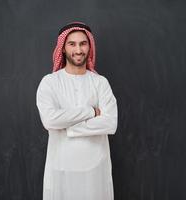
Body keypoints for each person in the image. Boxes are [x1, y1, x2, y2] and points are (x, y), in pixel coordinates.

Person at [36, 22, 118, 200]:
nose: (78, 49)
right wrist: (90, 112)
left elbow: (110, 123)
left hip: (96, 171)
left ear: (90, 46)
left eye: (83, 43)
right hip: (61, 169)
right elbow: (50, 120)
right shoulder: (50, 82)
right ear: (63, 48)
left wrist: (69, 128)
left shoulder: (100, 82)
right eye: (72, 44)